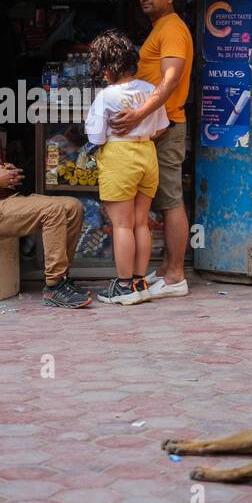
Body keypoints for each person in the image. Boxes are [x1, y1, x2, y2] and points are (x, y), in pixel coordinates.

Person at [0, 72, 92, 309]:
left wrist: (6, 176)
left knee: (73, 206)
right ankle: (54, 287)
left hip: (6, 202)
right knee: (53, 209)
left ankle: (62, 278)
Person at [110, 0, 194, 298]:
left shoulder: (172, 29)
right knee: (160, 201)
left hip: (166, 125)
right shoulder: (160, 28)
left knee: (171, 200)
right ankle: (167, 270)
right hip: (155, 127)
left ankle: (175, 275)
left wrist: (138, 114)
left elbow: (171, 79)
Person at [85, 30, 169, 305]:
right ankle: (139, 282)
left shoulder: (106, 96)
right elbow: (160, 127)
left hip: (119, 154)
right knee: (140, 222)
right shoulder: (149, 91)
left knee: (121, 225)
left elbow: (96, 137)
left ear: (107, 69)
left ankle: (123, 287)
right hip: (147, 152)